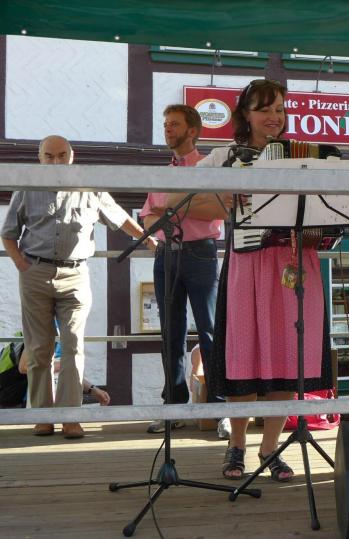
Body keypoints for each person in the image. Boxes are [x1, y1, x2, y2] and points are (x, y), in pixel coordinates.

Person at [198, 79, 333, 481]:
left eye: (279, 109)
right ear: (245, 114)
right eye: (264, 109)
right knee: (244, 352)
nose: (274, 117)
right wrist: (222, 199)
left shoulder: (304, 156)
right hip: (249, 262)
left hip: (295, 260)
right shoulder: (224, 156)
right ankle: (237, 445)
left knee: (288, 355)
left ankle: (270, 447)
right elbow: (177, 198)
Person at [1, 135, 156, 439]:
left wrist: (147, 239)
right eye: (49, 155)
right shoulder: (27, 187)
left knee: (74, 346)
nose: (56, 161)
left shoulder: (90, 187)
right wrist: (21, 264)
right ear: (40, 158)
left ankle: (70, 417)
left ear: (72, 156)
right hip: (35, 273)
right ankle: (43, 417)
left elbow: (120, 218)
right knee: (39, 347)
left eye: (62, 154)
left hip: (75, 275)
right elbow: (8, 233)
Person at [139, 104, 231, 439]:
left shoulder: (209, 168)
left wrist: (171, 208)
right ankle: (174, 407)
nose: (167, 129)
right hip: (166, 255)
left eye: (174, 124)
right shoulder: (163, 172)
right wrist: (180, 209)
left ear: (192, 131)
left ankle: (220, 408)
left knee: (210, 330)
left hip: (200, 254)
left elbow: (220, 209)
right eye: (166, 124)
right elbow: (148, 218)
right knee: (170, 334)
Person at [18, 347, 111, 406]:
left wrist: (93, 389)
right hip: (41, 401)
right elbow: (23, 367)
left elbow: (70, 374)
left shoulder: (69, 338)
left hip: (65, 403)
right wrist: (63, 365)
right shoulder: (40, 332)